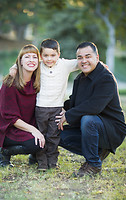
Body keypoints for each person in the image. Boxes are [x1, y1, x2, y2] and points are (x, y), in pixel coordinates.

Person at [56, 41, 126, 177]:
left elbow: (94, 106)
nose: (84, 61)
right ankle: (98, 151)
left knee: (88, 119)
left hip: (112, 130)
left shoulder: (106, 78)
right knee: (57, 135)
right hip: (91, 127)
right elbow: (74, 102)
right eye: (80, 57)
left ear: (97, 57)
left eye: (88, 56)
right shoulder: (79, 79)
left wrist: (69, 115)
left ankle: (93, 164)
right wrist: (57, 109)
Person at [9, 39, 79, 170]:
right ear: (41, 56)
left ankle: (52, 163)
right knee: (41, 135)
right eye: (45, 55)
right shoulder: (39, 65)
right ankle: (41, 163)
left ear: (59, 54)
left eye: (53, 55)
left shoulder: (65, 65)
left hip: (57, 108)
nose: (49, 59)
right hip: (40, 108)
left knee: (53, 136)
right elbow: (21, 63)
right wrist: (13, 68)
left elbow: (82, 62)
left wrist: (101, 64)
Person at [0, 44, 45, 167]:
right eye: (27, 57)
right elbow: (11, 118)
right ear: (20, 61)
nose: (31, 60)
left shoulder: (37, 81)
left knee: (45, 138)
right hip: (6, 129)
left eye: (34, 57)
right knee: (35, 143)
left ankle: (34, 156)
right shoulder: (10, 84)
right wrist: (34, 130)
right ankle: (4, 152)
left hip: (25, 127)